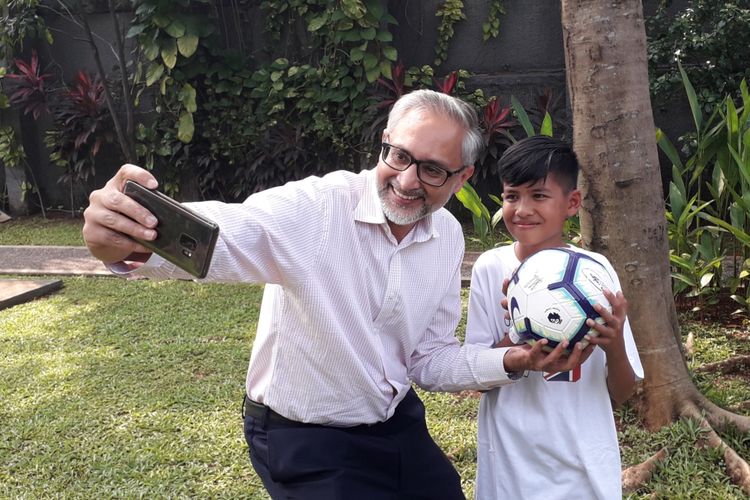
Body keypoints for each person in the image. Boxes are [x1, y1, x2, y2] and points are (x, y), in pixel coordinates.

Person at [83, 90, 591, 499]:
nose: (409, 181)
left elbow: (428, 358)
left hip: (393, 421)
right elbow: (221, 232)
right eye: (400, 156)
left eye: (433, 170)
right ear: (386, 143)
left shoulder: (446, 238)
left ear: (463, 178)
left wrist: (515, 360)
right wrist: (124, 232)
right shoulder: (314, 209)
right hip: (302, 435)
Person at [465, 136, 645, 500]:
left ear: (572, 203)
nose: (523, 209)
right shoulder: (490, 268)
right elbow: (475, 376)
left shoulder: (596, 272)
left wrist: (614, 346)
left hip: (584, 467)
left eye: (539, 195)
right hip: (511, 465)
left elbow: (623, 393)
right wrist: (517, 337)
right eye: (512, 196)